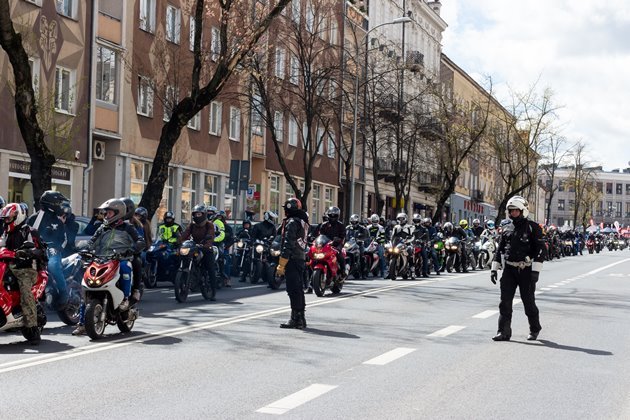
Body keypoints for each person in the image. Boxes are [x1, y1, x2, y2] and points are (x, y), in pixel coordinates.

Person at [490, 195, 545, 342]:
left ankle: (534, 329)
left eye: (516, 210)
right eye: (511, 210)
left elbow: (541, 250)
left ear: (523, 211)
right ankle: (503, 331)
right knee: (505, 302)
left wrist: (535, 271)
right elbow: (500, 248)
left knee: (528, 302)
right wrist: (494, 268)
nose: (513, 213)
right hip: (509, 269)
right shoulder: (506, 226)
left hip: (526, 270)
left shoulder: (533, 227)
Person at [0, 203, 47, 344]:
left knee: (25, 292)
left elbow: (41, 251)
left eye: (9, 218)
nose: (6, 221)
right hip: (8, 267)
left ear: (17, 216)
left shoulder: (29, 231)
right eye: (5, 219)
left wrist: (27, 252)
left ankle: (32, 329)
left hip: (26, 269)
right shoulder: (5, 232)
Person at [28, 190, 68, 309]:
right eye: (58, 203)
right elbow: (28, 235)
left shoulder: (58, 220)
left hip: (52, 251)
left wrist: (57, 248)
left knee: (53, 265)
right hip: (36, 251)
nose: (61, 206)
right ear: (52, 204)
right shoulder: (34, 218)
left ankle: (63, 292)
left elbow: (64, 239)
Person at [277, 198, 309, 329]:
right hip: (300, 258)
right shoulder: (303, 222)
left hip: (292, 259)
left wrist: (282, 263)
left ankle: (296, 319)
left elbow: (288, 243)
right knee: (298, 289)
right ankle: (300, 318)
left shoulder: (292, 222)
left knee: (293, 290)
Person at [180, 205, 216, 299]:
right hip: (194, 246)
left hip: (205, 248)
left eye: (199, 214)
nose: (197, 216)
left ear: (203, 214)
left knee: (210, 268)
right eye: (195, 214)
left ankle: (213, 291)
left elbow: (210, 236)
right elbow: (185, 234)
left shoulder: (209, 225)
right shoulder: (191, 225)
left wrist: (206, 245)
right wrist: (179, 242)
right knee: (183, 257)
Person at [315, 206, 346, 274]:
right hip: (325, 244)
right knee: (314, 254)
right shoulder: (324, 225)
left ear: (338, 216)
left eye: (334, 215)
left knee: (339, 254)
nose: (332, 217)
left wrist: (338, 240)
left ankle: (343, 270)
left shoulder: (340, 225)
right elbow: (320, 234)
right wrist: (314, 239)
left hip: (337, 244)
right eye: (331, 215)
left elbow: (343, 235)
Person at [346, 214, 370, 279]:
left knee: (362, 256)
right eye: (352, 222)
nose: (353, 223)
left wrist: (361, 239)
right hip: (349, 244)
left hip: (359, 244)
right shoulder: (347, 228)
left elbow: (366, 236)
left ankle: (363, 273)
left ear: (357, 221)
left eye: (355, 222)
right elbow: (344, 236)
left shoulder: (362, 228)